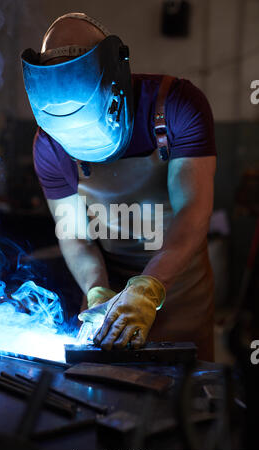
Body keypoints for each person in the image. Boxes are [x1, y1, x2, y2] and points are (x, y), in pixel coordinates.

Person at [21, 12, 217, 361]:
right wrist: (97, 292)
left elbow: (192, 213)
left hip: (181, 289)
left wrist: (147, 288)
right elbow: (75, 235)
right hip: (106, 295)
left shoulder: (177, 106)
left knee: (187, 404)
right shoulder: (48, 145)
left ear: (117, 82)